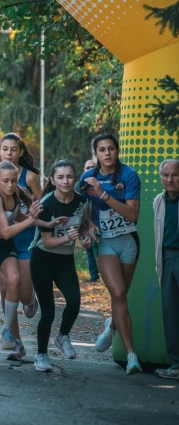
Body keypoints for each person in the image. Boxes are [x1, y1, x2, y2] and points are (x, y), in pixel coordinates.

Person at [80, 134, 142, 375]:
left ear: (117, 151)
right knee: (117, 292)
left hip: (128, 241)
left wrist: (104, 195)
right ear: (96, 153)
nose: (107, 153)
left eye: (111, 149)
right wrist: (89, 225)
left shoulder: (128, 175)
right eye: (102, 150)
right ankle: (131, 355)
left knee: (122, 296)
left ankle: (111, 325)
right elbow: (81, 209)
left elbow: (133, 214)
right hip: (104, 243)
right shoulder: (88, 178)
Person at [0, 161, 42, 365]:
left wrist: (44, 222)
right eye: (5, 181)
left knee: (15, 280)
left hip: (4, 247)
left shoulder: (16, 194)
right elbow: (5, 230)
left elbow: (19, 216)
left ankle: (7, 331)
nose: (10, 185)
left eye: (13, 180)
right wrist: (30, 221)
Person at [30, 160, 95, 373]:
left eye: (69, 177)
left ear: (75, 178)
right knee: (48, 311)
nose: (65, 181)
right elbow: (47, 242)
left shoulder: (81, 201)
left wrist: (86, 239)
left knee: (75, 301)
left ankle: (62, 336)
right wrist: (69, 236)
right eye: (60, 177)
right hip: (43, 260)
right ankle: (41, 355)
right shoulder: (47, 204)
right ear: (53, 180)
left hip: (65, 260)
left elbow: (84, 226)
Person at [0, 134, 42, 321]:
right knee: (6, 287)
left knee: (23, 294)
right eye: (5, 149)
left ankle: (31, 299)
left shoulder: (29, 177)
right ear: (0, 151)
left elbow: (43, 205)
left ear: (21, 152)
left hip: (26, 238)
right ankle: (10, 332)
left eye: (13, 149)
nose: (9, 153)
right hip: (2, 239)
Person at [154, 159, 179, 380]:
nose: (169, 179)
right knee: (170, 313)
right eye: (165, 175)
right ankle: (177, 365)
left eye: (175, 175)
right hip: (167, 258)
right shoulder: (158, 201)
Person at [82, 158, 100, 282]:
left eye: (92, 167)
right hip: (88, 222)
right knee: (89, 248)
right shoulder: (82, 186)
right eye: (87, 167)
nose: (90, 170)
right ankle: (94, 275)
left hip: (101, 222)